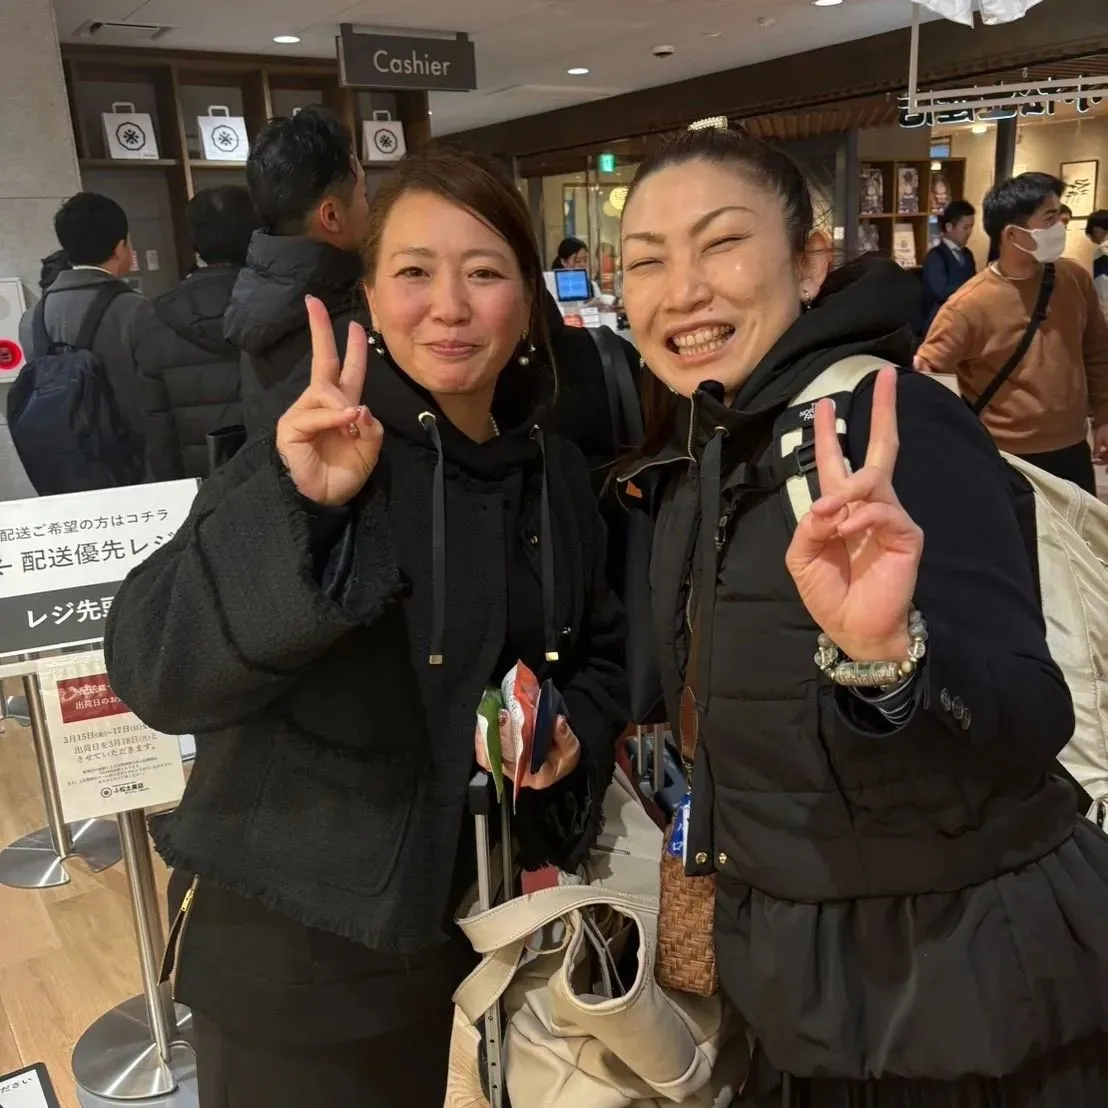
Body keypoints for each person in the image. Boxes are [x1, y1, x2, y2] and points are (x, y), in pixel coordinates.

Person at [104, 146, 628, 1107]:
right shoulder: (317, 444)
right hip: (296, 966)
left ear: (529, 301)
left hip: (482, 945)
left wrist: (571, 727)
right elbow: (154, 669)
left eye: (484, 273)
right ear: (372, 297)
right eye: (415, 272)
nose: (450, 307)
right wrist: (301, 505)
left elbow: (601, 648)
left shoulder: (550, 470)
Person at [617, 127, 1108, 1107]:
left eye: (722, 244)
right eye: (645, 261)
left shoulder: (888, 426)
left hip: (963, 1003)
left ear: (810, 261)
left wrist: (892, 659)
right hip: (808, 990)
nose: (683, 290)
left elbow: (1029, 715)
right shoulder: (720, 440)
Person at [915, 173, 1108, 493]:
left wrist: (1103, 415)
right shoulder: (968, 305)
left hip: (1073, 448)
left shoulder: (1074, 278)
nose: (1061, 226)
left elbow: (1097, 350)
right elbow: (926, 377)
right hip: (1006, 457)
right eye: (1050, 217)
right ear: (1013, 234)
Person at [224, 105, 371, 438]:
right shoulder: (342, 310)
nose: (370, 209)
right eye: (363, 195)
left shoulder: (260, 296)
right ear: (331, 215)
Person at [133, 186, 261, 480]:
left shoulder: (157, 319)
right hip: (280, 473)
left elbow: (159, 429)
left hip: (203, 483)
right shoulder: (283, 303)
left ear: (194, 242)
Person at [18, 192, 153, 456]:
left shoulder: (31, 319)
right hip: (133, 460)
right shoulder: (137, 310)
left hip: (64, 462)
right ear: (120, 247)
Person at [917, 199, 976, 334]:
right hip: (940, 323)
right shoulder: (935, 257)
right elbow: (941, 292)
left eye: (971, 227)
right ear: (949, 227)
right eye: (965, 227)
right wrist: (970, 288)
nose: (969, 232)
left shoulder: (967, 254)